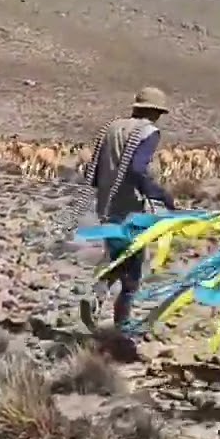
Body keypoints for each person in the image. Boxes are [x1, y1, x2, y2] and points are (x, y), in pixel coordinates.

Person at [78, 87, 177, 331]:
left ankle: (97, 293)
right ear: (155, 112)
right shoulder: (148, 132)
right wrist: (160, 194)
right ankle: (122, 325)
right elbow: (137, 169)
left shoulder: (111, 128)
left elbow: (94, 167)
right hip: (130, 207)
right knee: (133, 268)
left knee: (118, 255)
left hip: (107, 203)